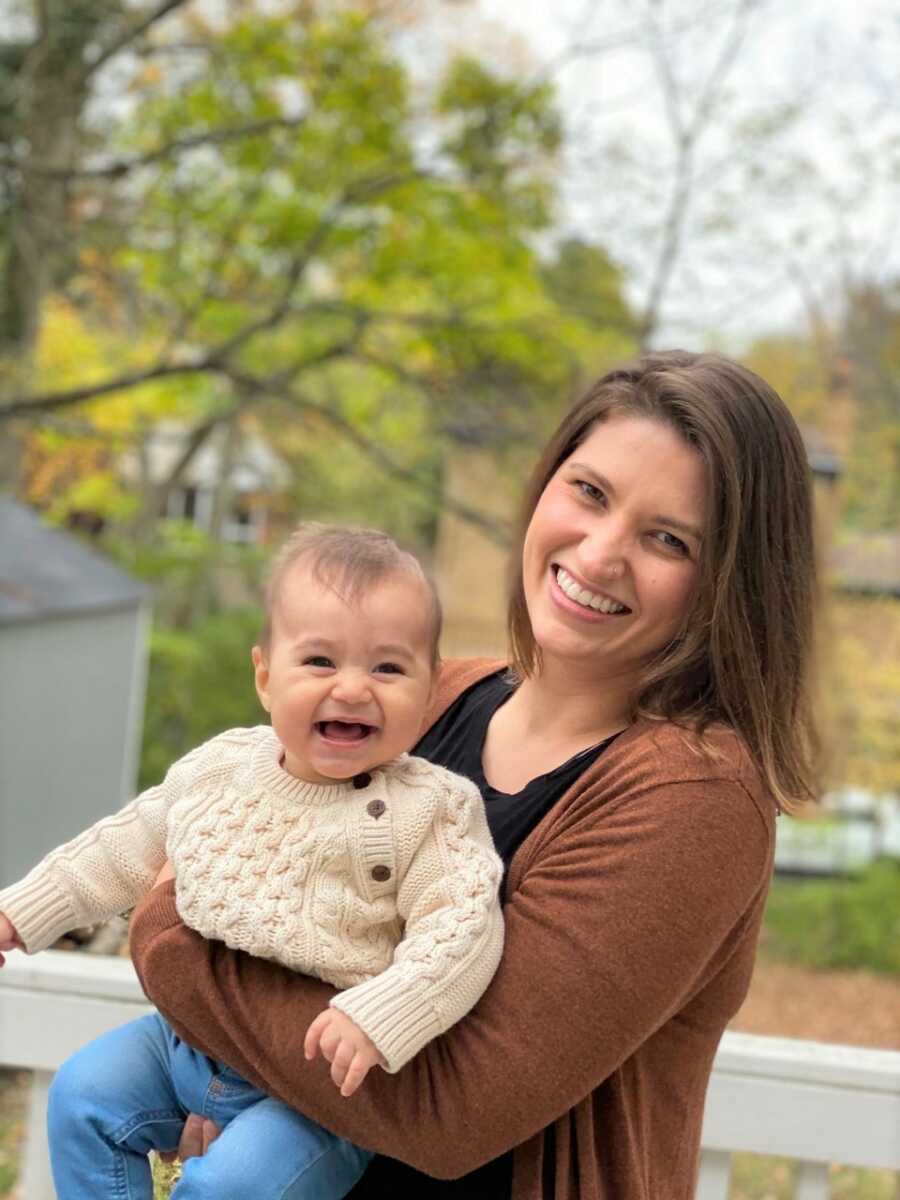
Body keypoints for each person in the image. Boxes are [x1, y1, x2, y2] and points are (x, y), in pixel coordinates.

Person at [128, 349, 820, 1200]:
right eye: (589, 493)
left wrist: (168, 936)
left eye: (667, 539)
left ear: (729, 583)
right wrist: (246, 1090)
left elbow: (449, 1108)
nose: (599, 554)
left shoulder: (693, 797)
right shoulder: (432, 694)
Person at [0, 524, 505, 1200]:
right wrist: (19, 911)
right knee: (83, 1096)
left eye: (388, 668)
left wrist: (385, 1011)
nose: (353, 688)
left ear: (427, 689)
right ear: (266, 675)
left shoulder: (431, 809)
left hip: (317, 1093)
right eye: (321, 661)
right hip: (182, 1043)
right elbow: (121, 846)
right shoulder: (221, 769)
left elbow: (465, 923)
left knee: (232, 1186)